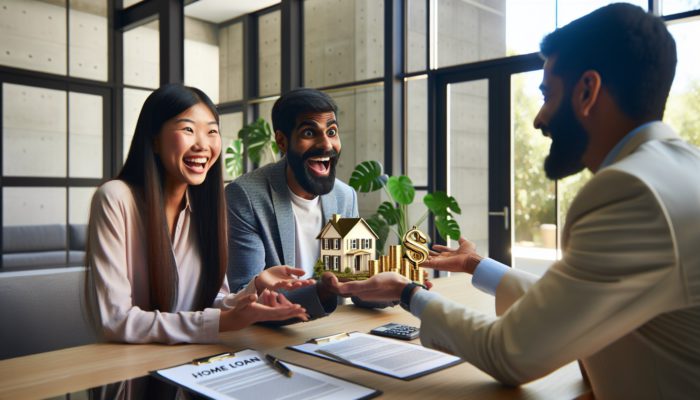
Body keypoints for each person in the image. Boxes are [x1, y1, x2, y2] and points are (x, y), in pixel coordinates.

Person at [332, 4, 700, 398]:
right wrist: (477, 265)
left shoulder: (631, 193)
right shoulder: (680, 171)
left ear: (587, 91)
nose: (540, 118)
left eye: (548, 94)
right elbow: (571, 305)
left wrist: (407, 293)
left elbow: (510, 352)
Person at [85, 83, 314, 344]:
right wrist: (224, 321)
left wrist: (255, 288)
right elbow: (117, 321)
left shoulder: (206, 208)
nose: (203, 145)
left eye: (212, 132)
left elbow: (208, 305)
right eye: (188, 130)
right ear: (154, 139)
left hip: (189, 362)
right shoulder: (115, 198)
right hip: (128, 369)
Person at [226, 88, 360, 322]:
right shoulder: (245, 196)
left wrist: (398, 287)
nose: (326, 144)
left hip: (330, 329)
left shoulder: (344, 196)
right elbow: (245, 295)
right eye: (310, 132)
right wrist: (322, 292)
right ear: (282, 141)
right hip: (269, 334)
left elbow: (353, 280)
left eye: (332, 131)